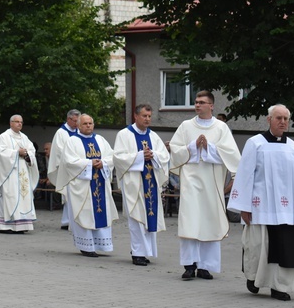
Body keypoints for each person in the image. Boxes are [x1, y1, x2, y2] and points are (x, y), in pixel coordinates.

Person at [227, 104, 294, 301]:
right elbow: (244, 175)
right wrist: (244, 206)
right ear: (269, 120)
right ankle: (253, 278)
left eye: (286, 118)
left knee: (285, 248)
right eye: (279, 118)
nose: (283, 122)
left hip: (287, 209)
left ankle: (280, 287)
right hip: (261, 206)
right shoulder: (255, 143)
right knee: (259, 246)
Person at [168, 91, 241, 280]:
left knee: (209, 220)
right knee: (190, 220)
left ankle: (205, 266)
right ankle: (190, 265)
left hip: (212, 182)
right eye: (196, 102)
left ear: (212, 106)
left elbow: (232, 154)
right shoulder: (186, 126)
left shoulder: (221, 128)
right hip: (191, 181)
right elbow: (175, 150)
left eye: (202, 102)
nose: (197, 105)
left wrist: (209, 147)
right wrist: (193, 146)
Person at [113, 103, 170, 266]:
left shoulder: (153, 136)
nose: (147, 119)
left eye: (149, 116)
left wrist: (154, 155)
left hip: (150, 182)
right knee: (137, 218)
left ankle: (145, 252)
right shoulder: (124, 134)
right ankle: (137, 252)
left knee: (148, 217)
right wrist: (139, 156)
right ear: (135, 116)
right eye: (144, 116)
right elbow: (118, 157)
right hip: (134, 183)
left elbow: (164, 156)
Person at [56, 114, 117, 257]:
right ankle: (86, 246)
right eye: (85, 124)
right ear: (78, 125)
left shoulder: (100, 140)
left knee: (100, 211)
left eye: (90, 123)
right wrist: (89, 163)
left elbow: (112, 157)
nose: (88, 126)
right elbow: (69, 162)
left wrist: (104, 163)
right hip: (82, 187)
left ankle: (101, 244)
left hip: (99, 183)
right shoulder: (72, 141)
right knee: (85, 214)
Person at [0, 115, 40, 234]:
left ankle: (21, 225)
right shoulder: (4, 136)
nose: (19, 124)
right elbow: (2, 153)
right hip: (9, 174)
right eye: (17, 122)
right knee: (10, 198)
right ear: (11, 123)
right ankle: (6, 226)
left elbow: (32, 151)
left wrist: (26, 154)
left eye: (21, 122)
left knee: (23, 198)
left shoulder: (24, 138)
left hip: (22, 173)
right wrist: (17, 153)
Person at [47, 109, 81, 230]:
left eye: (78, 121)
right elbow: (59, 151)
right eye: (75, 121)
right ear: (68, 119)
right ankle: (67, 221)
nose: (77, 123)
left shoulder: (79, 131)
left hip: (79, 168)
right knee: (68, 195)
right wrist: (74, 158)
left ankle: (73, 220)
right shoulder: (61, 133)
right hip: (67, 168)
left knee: (77, 194)